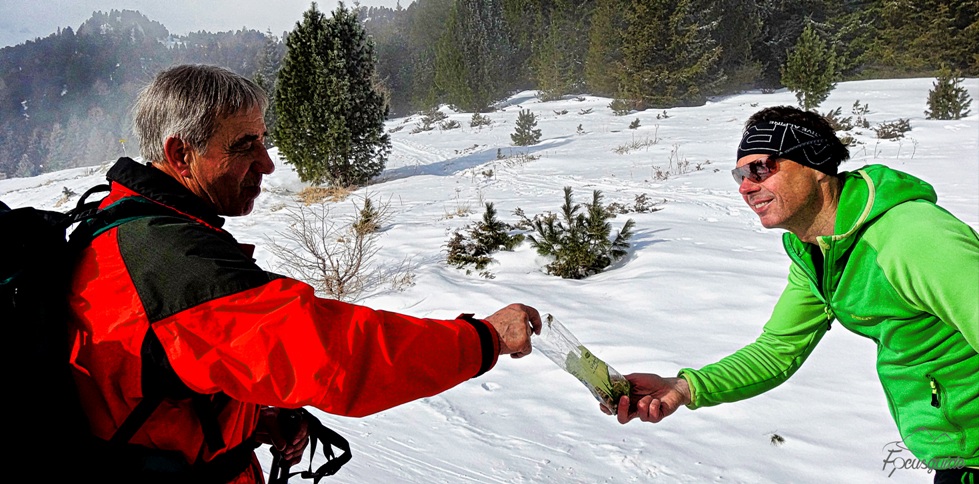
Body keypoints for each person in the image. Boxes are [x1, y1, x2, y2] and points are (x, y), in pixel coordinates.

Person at [67, 64, 542, 483]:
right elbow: (336, 357)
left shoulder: (126, 222)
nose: (267, 163)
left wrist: (252, 422)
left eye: (264, 139)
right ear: (179, 154)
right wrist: (483, 339)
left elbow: (158, 376)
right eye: (244, 145)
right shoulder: (170, 261)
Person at [609, 106, 978, 483]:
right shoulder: (818, 249)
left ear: (816, 163)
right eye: (740, 174)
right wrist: (682, 387)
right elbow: (777, 351)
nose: (745, 186)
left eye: (760, 169)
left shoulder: (912, 238)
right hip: (953, 458)